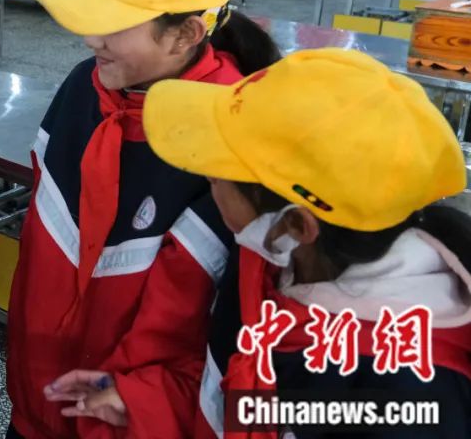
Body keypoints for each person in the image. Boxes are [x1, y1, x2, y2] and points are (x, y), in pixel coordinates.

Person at [66, 48, 470, 438]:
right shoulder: (276, 264)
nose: (208, 177)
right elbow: (254, 408)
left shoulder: (409, 394)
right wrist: (141, 402)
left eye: (219, 173)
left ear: (297, 224)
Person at [7, 0, 281, 439]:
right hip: (37, 395)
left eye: (111, 23)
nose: (91, 39)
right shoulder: (84, 87)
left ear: (185, 34)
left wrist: (135, 404)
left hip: (129, 420)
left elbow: (224, 325)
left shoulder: (231, 142)